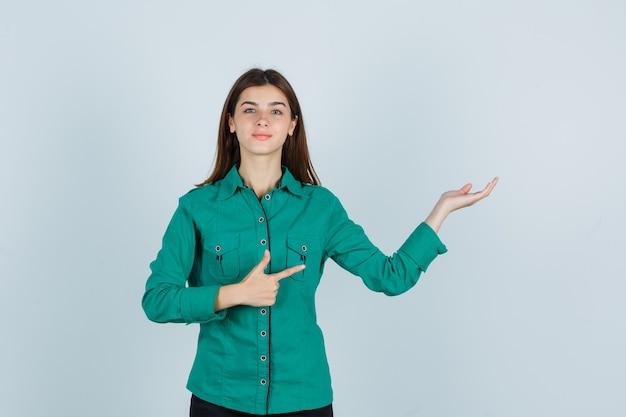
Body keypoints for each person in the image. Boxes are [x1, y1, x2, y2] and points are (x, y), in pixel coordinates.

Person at [142, 68, 498, 417]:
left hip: (303, 400)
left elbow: (391, 276)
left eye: (276, 111)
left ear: (292, 125)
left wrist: (441, 210)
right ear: (231, 122)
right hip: (220, 399)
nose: (262, 120)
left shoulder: (321, 208)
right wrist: (235, 294)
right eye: (249, 109)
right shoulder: (196, 208)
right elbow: (157, 300)